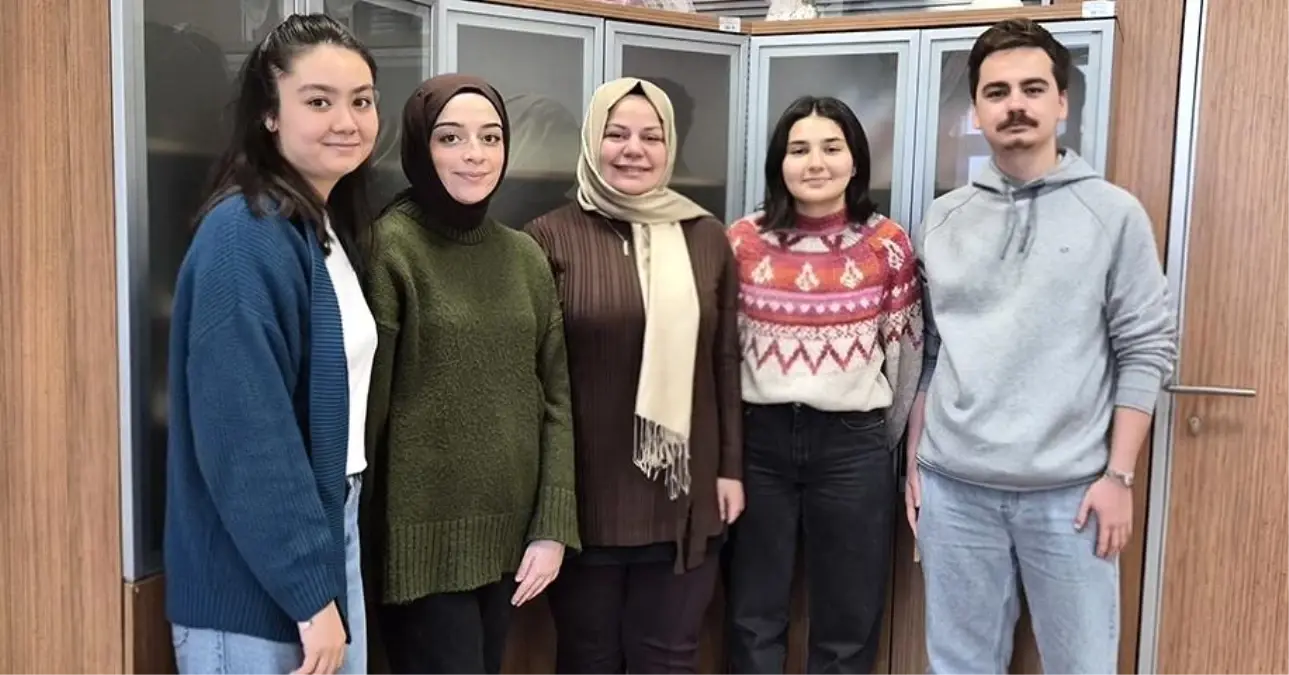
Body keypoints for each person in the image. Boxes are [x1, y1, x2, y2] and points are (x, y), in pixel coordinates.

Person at [905, 19, 1177, 675]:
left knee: (1082, 665)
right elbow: (930, 350)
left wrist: (1119, 476)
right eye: (996, 92)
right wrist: (915, 464)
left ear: (1061, 102)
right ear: (976, 111)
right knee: (958, 665)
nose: (1015, 105)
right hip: (953, 491)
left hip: (1071, 496)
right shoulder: (942, 218)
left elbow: (1145, 349)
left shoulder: (1113, 214)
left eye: (1032, 88)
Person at [163, 14, 378, 675]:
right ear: (269, 115)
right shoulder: (244, 234)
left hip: (322, 537)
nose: (346, 121)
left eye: (361, 100)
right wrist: (311, 596)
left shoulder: (317, 227)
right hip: (252, 584)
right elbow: (246, 435)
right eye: (318, 101)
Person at [522, 77, 745, 675]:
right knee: (588, 658)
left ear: (670, 146)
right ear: (592, 141)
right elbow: (535, 378)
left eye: (651, 136)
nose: (634, 150)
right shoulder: (547, 237)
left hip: (684, 494)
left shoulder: (706, 236)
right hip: (584, 496)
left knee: (669, 658)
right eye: (616, 134)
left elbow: (724, 359)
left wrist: (730, 468)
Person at [362, 74, 581, 675]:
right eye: (451, 137)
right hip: (419, 549)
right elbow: (366, 413)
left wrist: (551, 528)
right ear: (420, 148)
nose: (475, 154)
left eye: (490, 137)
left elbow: (556, 399)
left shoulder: (524, 256)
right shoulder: (390, 248)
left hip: (511, 544)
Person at [724, 95, 924, 675]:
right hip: (758, 445)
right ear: (779, 163)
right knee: (752, 614)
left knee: (848, 619)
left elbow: (905, 359)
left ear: (855, 159)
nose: (815, 162)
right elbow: (723, 353)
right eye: (799, 149)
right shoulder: (742, 241)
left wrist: (871, 438)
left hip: (852, 446)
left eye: (831, 147)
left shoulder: (888, 243)